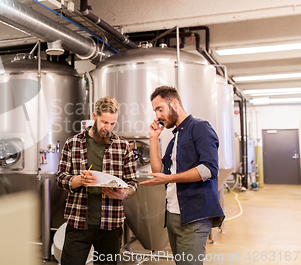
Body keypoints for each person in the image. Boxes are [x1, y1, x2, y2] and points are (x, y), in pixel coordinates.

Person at [140, 85, 224, 265]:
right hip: (173, 216)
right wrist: (153, 138)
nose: (157, 116)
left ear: (174, 104)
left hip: (194, 217)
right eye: (155, 111)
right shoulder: (175, 138)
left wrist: (170, 178)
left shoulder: (200, 128)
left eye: (160, 109)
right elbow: (158, 171)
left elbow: (209, 169)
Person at [56, 96, 138, 265]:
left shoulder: (122, 147)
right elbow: (60, 178)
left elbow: (133, 183)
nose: (107, 128)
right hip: (78, 222)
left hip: (111, 224)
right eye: (104, 122)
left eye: (112, 123)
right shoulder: (73, 144)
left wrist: (124, 194)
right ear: (94, 116)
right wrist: (78, 180)